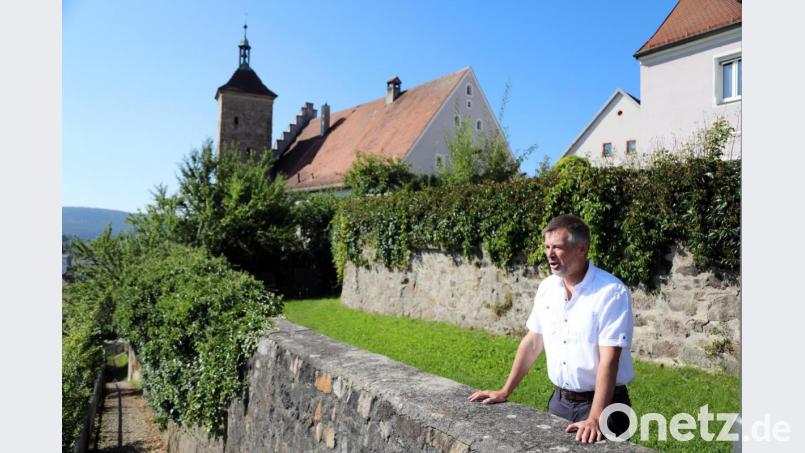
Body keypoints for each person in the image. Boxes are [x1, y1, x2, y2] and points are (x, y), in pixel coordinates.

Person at [468, 214, 635, 443]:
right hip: (560, 403)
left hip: (605, 407)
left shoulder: (611, 292)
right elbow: (533, 342)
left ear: (582, 248)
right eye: (547, 247)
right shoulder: (547, 288)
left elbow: (610, 359)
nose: (549, 254)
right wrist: (505, 390)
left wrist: (595, 417)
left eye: (558, 247)